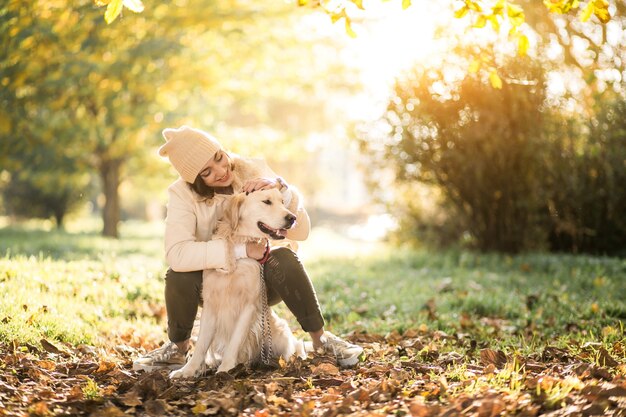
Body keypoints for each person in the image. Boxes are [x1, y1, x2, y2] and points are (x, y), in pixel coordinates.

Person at [133, 125, 363, 372]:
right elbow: (177, 253)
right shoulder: (182, 194)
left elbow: (302, 232)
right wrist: (240, 252)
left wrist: (282, 191)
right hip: (212, 279)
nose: (222, 171)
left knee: (284, 256)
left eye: (220, 158)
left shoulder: (254, 169)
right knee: (179, 274)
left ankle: (321, 341)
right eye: (207, 172)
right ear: (195, 180)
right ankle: (177, 350)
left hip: (260, 279)